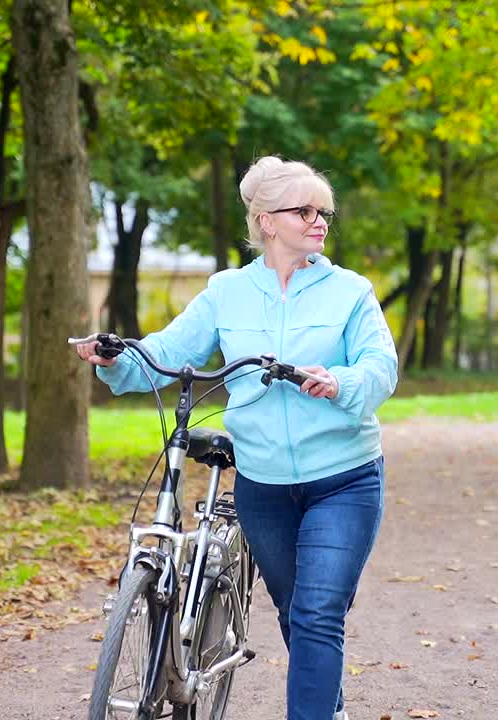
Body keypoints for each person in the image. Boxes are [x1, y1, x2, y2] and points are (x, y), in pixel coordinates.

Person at [75, 156, 397, 720]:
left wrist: (339, 380)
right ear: (267, 222)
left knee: (319, 613)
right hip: (263, 484)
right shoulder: (227, 292)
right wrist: (115, 358)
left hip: (343, 478)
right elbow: (169, 355)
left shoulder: (350, 291)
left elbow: (380, 368)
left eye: (324, 211)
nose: (319, 221)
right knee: (297, 611)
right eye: (305, 210)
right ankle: (330, 707)